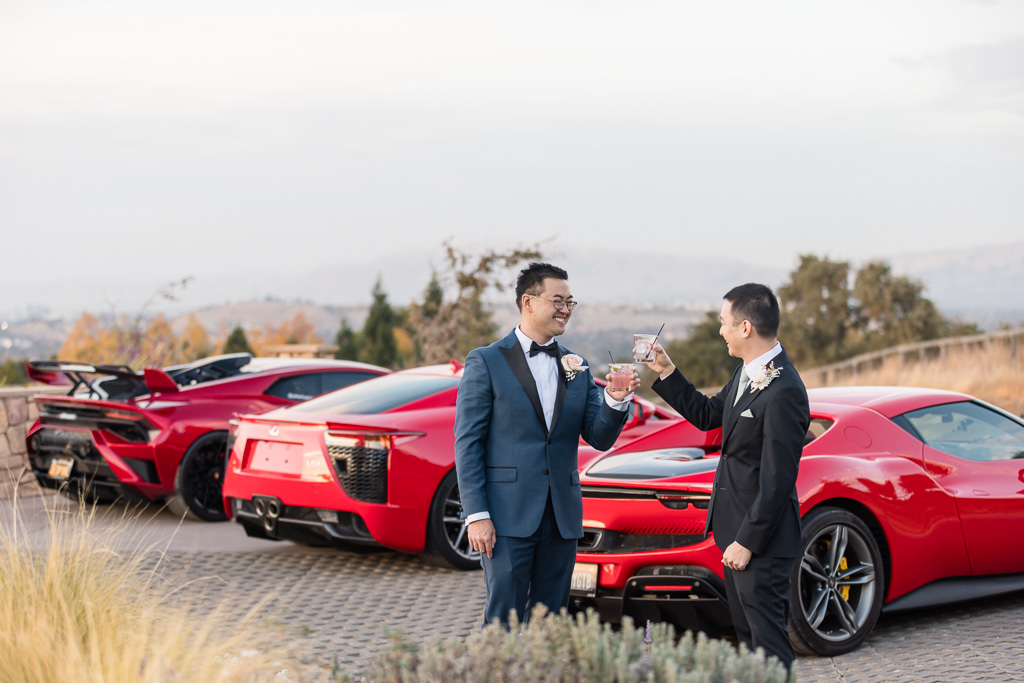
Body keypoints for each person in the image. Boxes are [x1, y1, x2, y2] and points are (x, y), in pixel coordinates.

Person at [454, 262, 639, 627]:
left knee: (550, 623)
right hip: (506, 519)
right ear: (528, 302)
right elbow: (467, 444)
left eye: (570, 303)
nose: (565, 309)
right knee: (502, 620)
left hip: (561, 520)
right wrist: (476, 516)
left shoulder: (578, 366)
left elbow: (598, 437)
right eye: (558, 300)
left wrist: (616, 400)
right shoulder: (486, 361)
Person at [646, 282, 809, 672]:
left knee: (769, 645)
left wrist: (746, 542)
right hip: (734, 535)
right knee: (749, 643)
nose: (721, 331)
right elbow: (708, 415)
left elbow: (778, 480)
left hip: (761, 544)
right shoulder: (747, 373)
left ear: (746, 328)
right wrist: (669, 371)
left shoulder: (784, 388)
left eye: (724, 323)